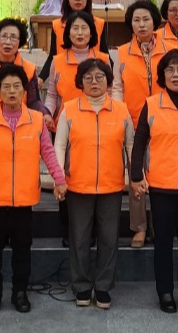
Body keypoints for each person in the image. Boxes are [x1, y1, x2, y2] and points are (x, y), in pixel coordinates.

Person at [0, 64, 66, 315]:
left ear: (24, 91)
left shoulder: (36, 120)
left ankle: (20, 291)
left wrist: (59, 179)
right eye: (6, 87)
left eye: (17, 86)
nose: (12, 91)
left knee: (22, 248)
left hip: (23, 198)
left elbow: (48, 152)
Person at [54, 59, 133, 310]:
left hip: (111, 186)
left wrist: (134, 177)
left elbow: (130, 145)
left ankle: (103, 287)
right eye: (88, 77)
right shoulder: (69, 109)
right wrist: (59, 178)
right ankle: (81, 286)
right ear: (80, 82)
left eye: (100, 77)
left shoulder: (121, 110)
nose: (94, 82)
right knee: (79, 238)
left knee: (109, 238)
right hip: (78, 186)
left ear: (109, 82)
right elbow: (59, 146)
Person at [131, 50, 178, 314]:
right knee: (162, 242)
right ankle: (164, 291)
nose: (175, 75)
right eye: (170, 70)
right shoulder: (151, 104)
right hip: (160, 185)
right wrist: (136, 175)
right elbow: (139, 141)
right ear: (162, 75)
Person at [44, 10, 110, 246]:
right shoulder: (57, 61)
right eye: (75, 28)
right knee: (66, 176)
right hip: (67, 128)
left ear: (92, 33)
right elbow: (52, 94)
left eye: (85, 28)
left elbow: (111, 91)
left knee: (96, 178)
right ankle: (69, 229)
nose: (80, 33)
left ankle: (94, 230)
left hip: (99, 126)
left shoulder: (103, 58)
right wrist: (47, 113)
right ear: (67, 33)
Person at [112, 0, 166, 247]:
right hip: (133, 122)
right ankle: (139, 228)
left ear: (154, 21)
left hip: (162, 121)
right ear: (130, 24)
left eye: (146, 19)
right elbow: (117, 87)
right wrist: (120, 114)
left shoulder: (168, 49)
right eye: (136, 20)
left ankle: (160, 226)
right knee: (136, 175)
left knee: (160, 175)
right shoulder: (122, 52)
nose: (141, 24)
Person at [0, 18, 53, 127]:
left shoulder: (28, 69)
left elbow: (34, 101)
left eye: (13, 37)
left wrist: (45, 113)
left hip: (20, 127)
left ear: (20, 41)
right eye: (4, 36)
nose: (8, 42)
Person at [39, 0, 108, 85]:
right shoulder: (57, 25)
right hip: (65, 80)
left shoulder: (99, 24)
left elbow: (105, 55)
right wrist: (41, 78)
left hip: (92, 81)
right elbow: (52, 56)